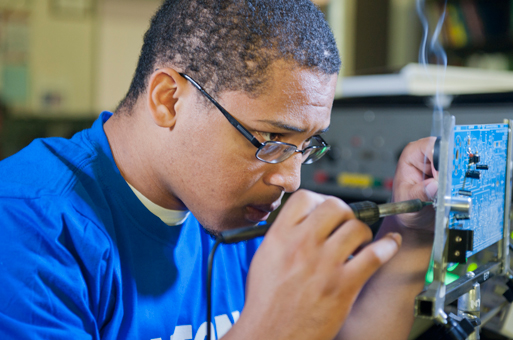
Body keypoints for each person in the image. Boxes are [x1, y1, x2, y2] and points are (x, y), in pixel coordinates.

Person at [0, 0, 437, 339]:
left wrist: (413, 232)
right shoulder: (29, 225)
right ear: (169, 100)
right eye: (269, 142)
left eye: (306, 146)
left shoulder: (226, 209)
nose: (291, 179)